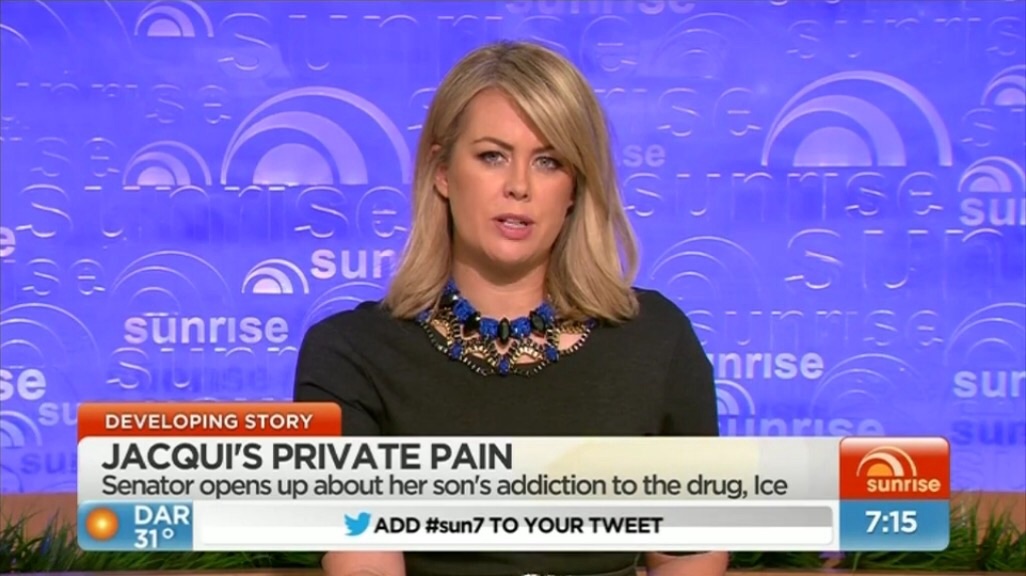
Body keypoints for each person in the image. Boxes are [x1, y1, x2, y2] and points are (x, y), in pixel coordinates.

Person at [294, 40, 727, 576]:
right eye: (492, 156)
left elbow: (689, 552)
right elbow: (364, 558)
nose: (519, 186)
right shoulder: (351, 355)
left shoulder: (655, 339)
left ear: (575, 187)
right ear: (442, 172)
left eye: (548, 162)